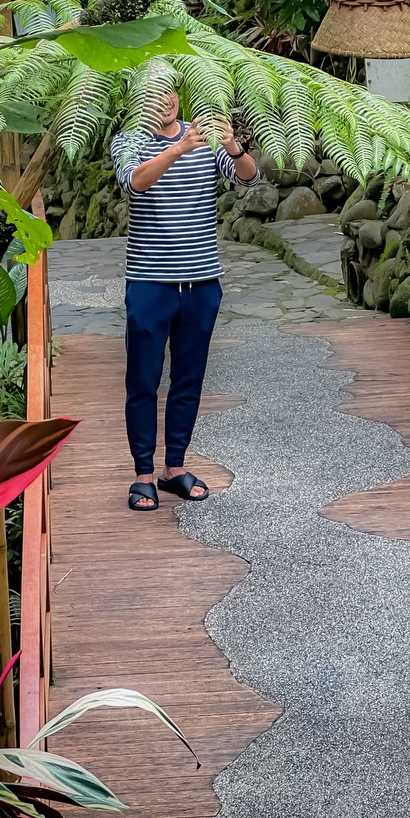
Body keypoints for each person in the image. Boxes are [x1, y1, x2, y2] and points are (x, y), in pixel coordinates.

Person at [111, 92, 260, 512]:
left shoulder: (206, 139)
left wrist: (233, 145)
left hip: (201, 282)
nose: (162, 101)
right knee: (143, 380)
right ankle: (143, 474)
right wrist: (177, 150)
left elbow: (248, 177)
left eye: (169, 92)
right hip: (150, 282)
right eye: (151, 91)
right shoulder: (128, 140)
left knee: (189, 379)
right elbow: (135, 182)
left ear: (179, 95)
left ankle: (174, 467)